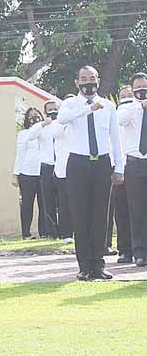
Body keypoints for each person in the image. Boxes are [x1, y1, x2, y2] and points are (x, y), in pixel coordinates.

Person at [57, 66, 124, 281]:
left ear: (98, 80)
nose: (88, 82)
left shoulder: (109, 106)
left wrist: (119, 168)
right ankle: (84, 266)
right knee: (81, 215)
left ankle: (98, 264)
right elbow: (62, 120)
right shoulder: (70, 104)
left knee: (100, 216)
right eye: (84, 79)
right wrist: (88, 109)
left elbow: (116, 139)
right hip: (78, 163)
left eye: (92, 78)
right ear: (77, 82)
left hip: (102, 163)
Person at [118, 74, 147, 267]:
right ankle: (140, 252)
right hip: (135, 163)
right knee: (137, 210)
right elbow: (120, 120)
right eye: (138, 88)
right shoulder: (127, 108)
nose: (141, 91)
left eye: (144, 87)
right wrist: (140, 105)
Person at [26, 100, 63, 240]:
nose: (53, 111)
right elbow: (30, 136)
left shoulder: (63, 123)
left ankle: (66, 232)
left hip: (62, 165)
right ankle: (52, 233)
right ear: (45, 112)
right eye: (50, 110)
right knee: (48, 202)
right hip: (47, 166)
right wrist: (43, 123)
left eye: (55, 109)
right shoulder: (41, 127)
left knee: (64, 201)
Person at [110, 87, 134, 262]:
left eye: (130, 95)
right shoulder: (116, 115)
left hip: (140, 165)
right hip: (122, 167)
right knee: (123, 211)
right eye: (123, 96)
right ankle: (125, 249)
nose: (127, 99)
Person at [13, 108, 45, 239]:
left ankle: (45, 232)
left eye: (37, 116)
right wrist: (15, 173)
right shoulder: (24, 134)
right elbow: (20, 154)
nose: (34, 118)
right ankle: (26, 233)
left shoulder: (46, 132)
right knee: (27, 204)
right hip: (27, 173)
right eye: (31, 117)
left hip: (44, 172)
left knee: (44, 204)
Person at [54, 94, 77, 244]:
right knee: (64, 203)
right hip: (63, 169)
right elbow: (56, 133)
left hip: (79, 168)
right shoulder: (58, 123)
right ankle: (66, 233)